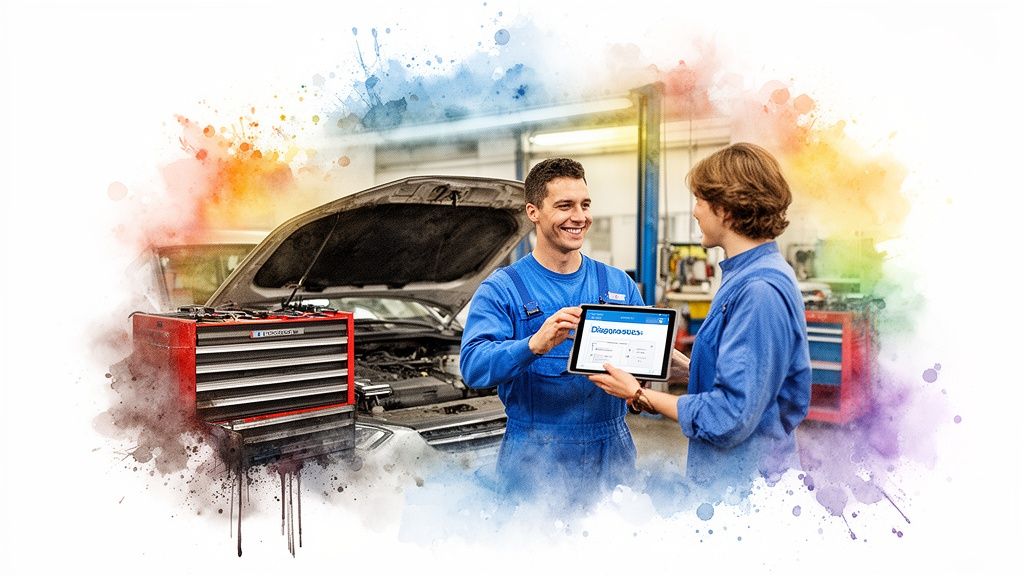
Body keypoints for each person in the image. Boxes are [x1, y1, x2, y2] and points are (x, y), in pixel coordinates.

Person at [588, 142, 812, 493]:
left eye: (699, 201)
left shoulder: (759, 290)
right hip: (729, 481)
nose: (694, 213)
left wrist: (639, 394)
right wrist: (688, 369)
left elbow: (731, 416)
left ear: (724, 209)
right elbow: (757, 382)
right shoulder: (742, 275)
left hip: (747, 492)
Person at [459, 157, 645, 509]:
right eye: (565, 206)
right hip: (533, 456)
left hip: (612, 450)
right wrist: (533, 344)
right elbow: (473, 365)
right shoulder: (502, 289)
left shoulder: (619, 284)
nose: (579, 217)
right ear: (533, 212)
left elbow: (648, 359)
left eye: (585, 205)